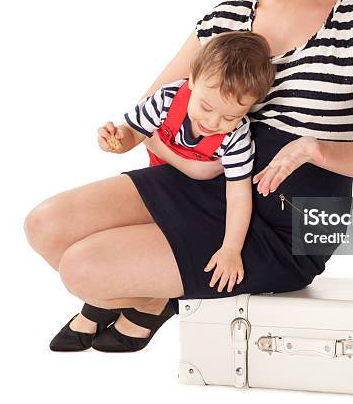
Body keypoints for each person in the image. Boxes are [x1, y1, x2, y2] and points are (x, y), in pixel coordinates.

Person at [24, 0, 353, 354]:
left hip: (287, 220)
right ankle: (153, 295)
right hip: (202, 180)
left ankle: (148, 294)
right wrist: (124, 136)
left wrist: (314, 148)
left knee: (82, 268)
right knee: (45, 226)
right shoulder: (224, 21)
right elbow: (147, 112)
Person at [102, 31, 276, 299]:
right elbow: (134, 133)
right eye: (206, 107)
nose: (213, 122)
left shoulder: (237, 136)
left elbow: (239, 194)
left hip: (200, 202)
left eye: (230, 116)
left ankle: (152, 301)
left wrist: (231, 249)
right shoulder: (167, 99)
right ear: (192, 80)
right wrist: (116, 140)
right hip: (159, 184)